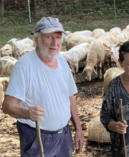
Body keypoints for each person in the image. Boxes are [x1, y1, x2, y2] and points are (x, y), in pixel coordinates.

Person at [2, 17, 84, 157]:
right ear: (37, 39)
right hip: (36, 135)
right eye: (49, 37)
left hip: (64, 135)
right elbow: (7, 106)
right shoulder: (24, 66)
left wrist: (78, 129)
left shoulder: (62, 61)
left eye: (58, 37)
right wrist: (27, 112)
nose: (55, 43)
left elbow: (70, 96)